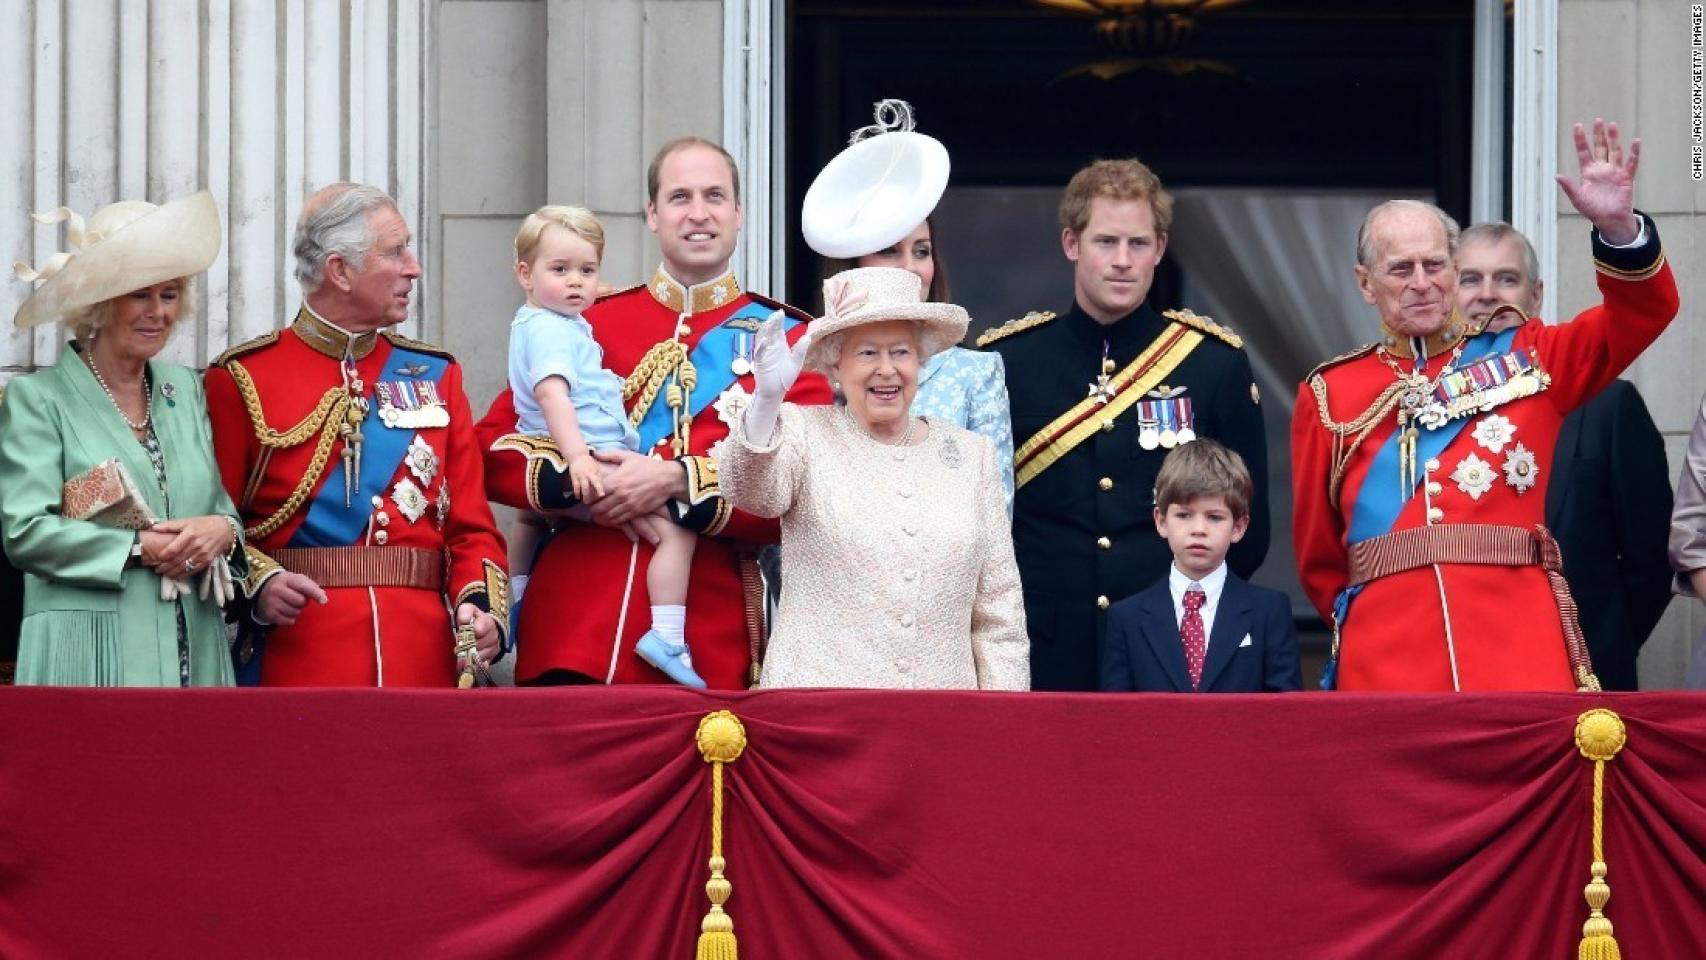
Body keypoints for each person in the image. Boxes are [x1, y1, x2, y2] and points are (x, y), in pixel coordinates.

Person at [1291, 119, 1680, 692]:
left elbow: (1641, 315)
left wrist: (1618, 230)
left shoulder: (1532, 357)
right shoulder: (1329, 394)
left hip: (1517, 656)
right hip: (1385, 665)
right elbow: (1321, 562)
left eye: (1435, 265)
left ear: (1453, 271)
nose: (1422, 283)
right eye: (1401, 269)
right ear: (1366, 283)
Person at [476, 138, 832, 687]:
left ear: (739, 213)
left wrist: (675, 480)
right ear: (652, 214)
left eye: (715, 196)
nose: (698, 213)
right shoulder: (585, 321)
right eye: (679, 197)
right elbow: (493, 447)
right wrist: (583, 486)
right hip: (571, 628)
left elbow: (808, 492)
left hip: (706, 640)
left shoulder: (787, 340)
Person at [979, 157, 1269, 692]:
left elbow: (1249, 533)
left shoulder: (1212, 364)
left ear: (1160, 249)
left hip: (1169, 648)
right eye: (1105, 242)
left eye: (1138, 244)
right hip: (1040, 648)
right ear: (1071, 243)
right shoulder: (1008, 363)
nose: (1122, 261)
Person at [204, 183, 508, 687]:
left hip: (423, 663)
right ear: (339, 270)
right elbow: (214, 523)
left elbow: (472, 528)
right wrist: (259, 586)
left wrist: (480, 608)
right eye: (395, 252)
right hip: (298, 664)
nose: (413, 267)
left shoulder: (437, 374)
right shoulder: (242, 378)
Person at [715, 266, 1028, 689]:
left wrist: (1003, 718)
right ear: (836, 365)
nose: (886, 369)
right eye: (867, 353)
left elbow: (1000, 617)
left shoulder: (973, 456)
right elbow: (750, 491)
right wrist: (766, 402)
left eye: (900, 352)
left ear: (920, 361)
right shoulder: (802, 433)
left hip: (942, 712)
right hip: (820, 710)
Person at [0, 191, 245, 686]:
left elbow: (219, 507)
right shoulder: (38, 399)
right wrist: (139, 548)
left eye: (169, 295)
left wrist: (223, 530)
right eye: (140, 294)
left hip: (193, 644)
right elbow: (26, 532)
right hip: (88, 648)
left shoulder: (183, 390)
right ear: (98, 302)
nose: (158, 312)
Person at [1455, 221, 1672, 691]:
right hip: (1459, 671)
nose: (1487, 294)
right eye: (1470, 279)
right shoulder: (1421, 411)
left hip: (1582, 675)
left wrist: (1603, 641)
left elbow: (1651, 557)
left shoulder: (1609, 406)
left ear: (1535, 295)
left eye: (1506, 278)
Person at [505, 205, 704, 687]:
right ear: (653, 212)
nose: (576, 282)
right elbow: (543, 403)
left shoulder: (552, 318)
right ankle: (668, 635)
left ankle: (515, 597)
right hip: (592, 459)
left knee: (529, 520)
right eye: (561, 270)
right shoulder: (556, 326)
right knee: (676, 532)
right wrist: (577, 460)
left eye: (587, 271)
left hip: (569, 456)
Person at [804, 101, 1015, 510]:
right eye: (889, 250)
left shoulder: (975, 374)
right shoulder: (812, 370)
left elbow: (994, 510)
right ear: (853, 264)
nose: (911, 268)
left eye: (922, 251)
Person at [1102, 439, 1300, 693]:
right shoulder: (1127, 618)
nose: (1198, 529)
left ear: (1238, 527)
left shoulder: (1269, 611)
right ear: (1161, 521)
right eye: (1184, 515)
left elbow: (1286, 709)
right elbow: (1116, 711)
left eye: (1214, 517)